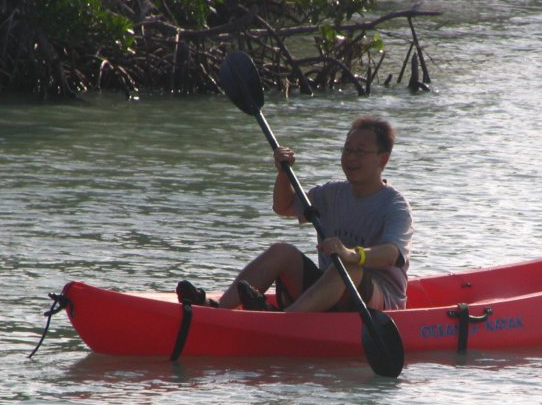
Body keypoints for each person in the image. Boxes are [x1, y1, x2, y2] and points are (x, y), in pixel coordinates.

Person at [177, 115, 413, 313]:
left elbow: (392, 254)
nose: (351, 157)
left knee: (349, 268)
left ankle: (284, 321)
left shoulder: (395, 205)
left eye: (360, 152)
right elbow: (284, 207)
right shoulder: (330, 194)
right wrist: (282, 173)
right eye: (347, 150)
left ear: (383, 159)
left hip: (379, 304)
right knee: (282, 251)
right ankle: (218, 309)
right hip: (328, 292)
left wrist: (351, 254)